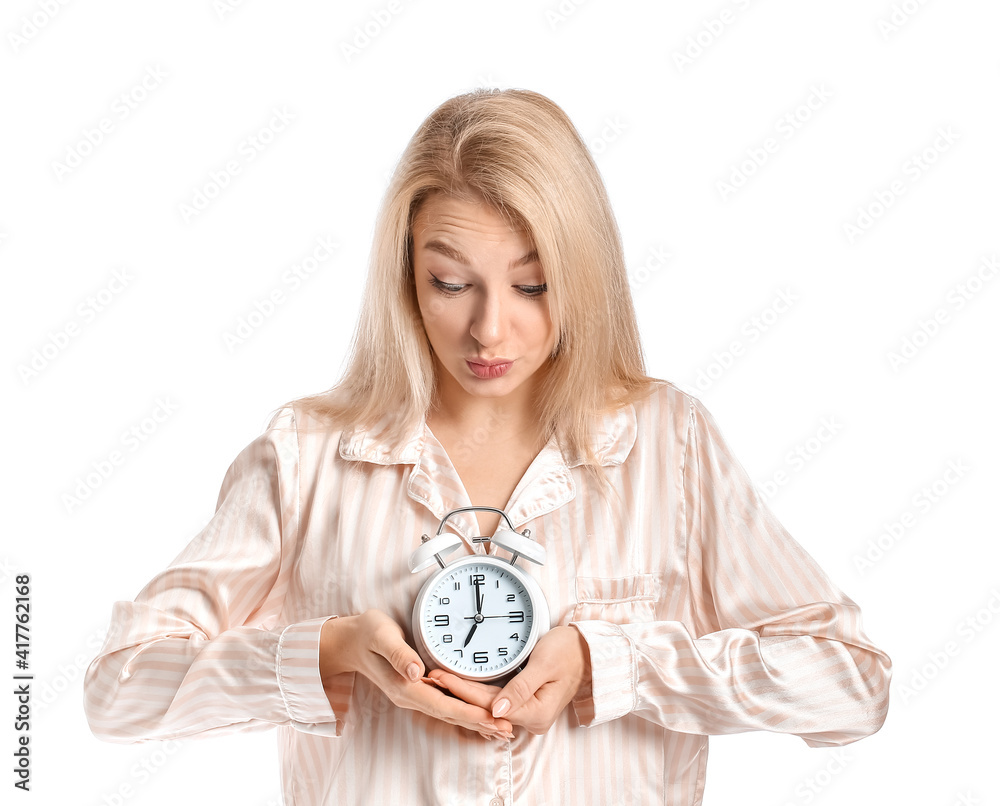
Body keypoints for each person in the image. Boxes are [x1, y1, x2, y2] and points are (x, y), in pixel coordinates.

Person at [84, 88, 891, 806]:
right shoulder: (308, 457)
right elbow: (117, 689)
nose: (490, 329)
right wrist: (328, 653)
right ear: (405, 279)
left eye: (533, 285)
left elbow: (852, 684)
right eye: (450, 283)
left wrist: (614, 664)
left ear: (583, 275)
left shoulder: (665, 444)